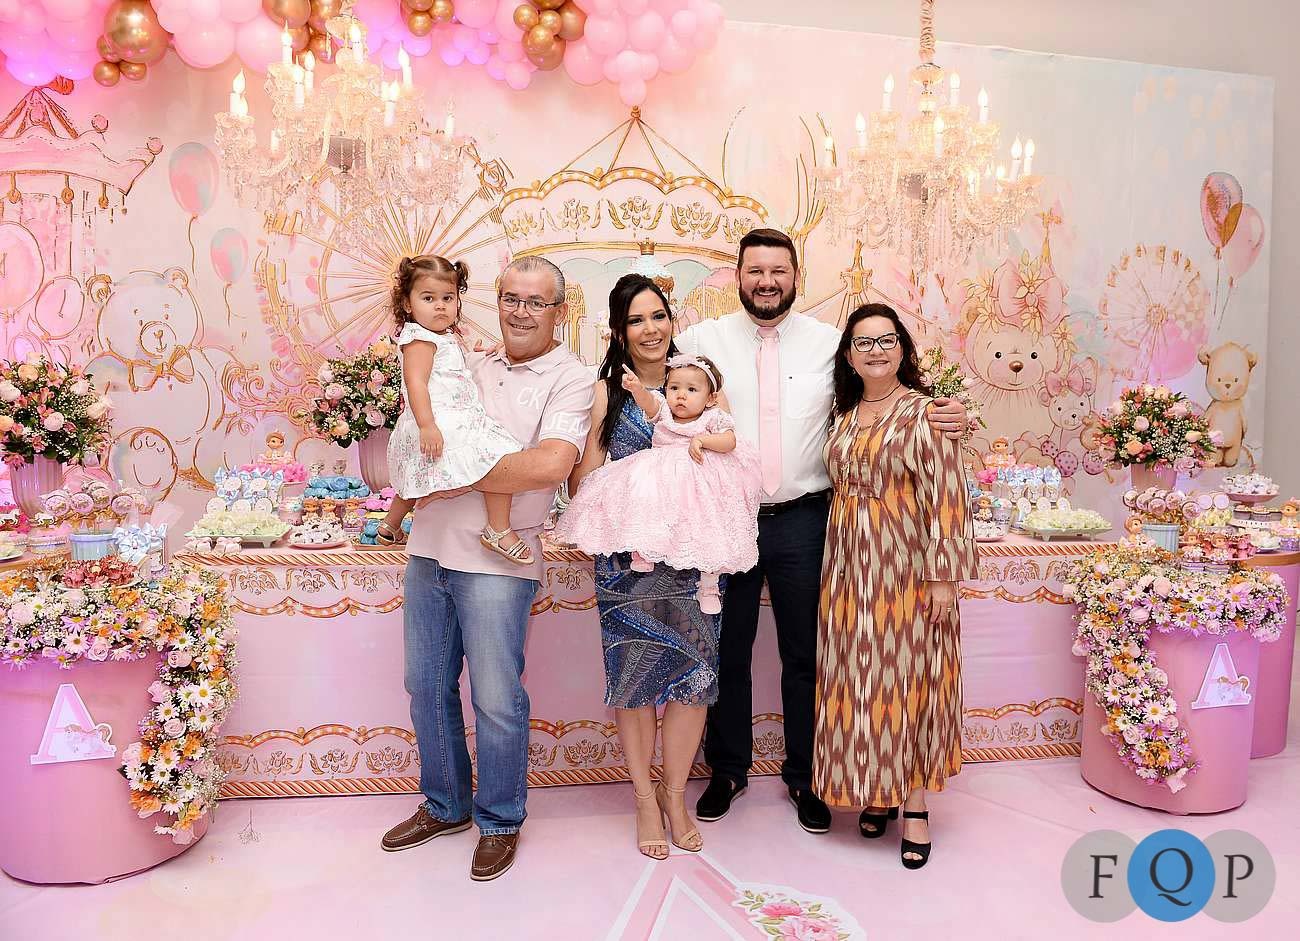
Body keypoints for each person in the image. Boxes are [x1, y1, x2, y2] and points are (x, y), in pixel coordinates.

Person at [674, 228, 968, 833]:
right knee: (726, 647)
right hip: (727, 516)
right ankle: (727, 770)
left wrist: (948, 412)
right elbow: (668, 401)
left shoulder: (833, 345)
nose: (767, 282)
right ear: (738, 275)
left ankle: (806, 775)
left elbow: (883, 399)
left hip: (807, 520)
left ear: (796, 276)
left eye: (778, 271)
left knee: (809, 652)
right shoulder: (701, 340)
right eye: (755, 271)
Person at [380, 256, 594, 882]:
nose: (520, 312)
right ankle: (444, 805)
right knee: (425, 686)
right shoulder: (464, 356)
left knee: (497, 698)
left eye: (536, 302)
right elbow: (419, 425)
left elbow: (550, 465)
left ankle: (499, 820)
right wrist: (423, 480)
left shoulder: (572, 377)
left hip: (500, 558)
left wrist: (447, 475)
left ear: (560, 311)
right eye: (510, 299)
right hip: (429, 547)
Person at [565, 274, 726, 860]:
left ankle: (676, 796)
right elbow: (584, 476)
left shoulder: (702, 384)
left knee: (693, 680)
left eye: (658, 315)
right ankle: (643, 799)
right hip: (627, 562)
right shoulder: (607, 392)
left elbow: (730, 460)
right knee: (633, 682)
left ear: (672, 320)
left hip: (693, 558)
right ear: (619, 331)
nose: (650, 329)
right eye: (636, 320)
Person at [815, 303, 978, 869]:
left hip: (904, 569)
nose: (876, 351)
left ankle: (914, 806)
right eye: (863, 342)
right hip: (846, 572)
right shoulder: (844, 414)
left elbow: (948, 497)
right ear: (849, 356)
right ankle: (877, 791)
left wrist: (942, 577)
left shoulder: (927, 414)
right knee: (862, 681)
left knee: (908, 681)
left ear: (903, 348)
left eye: (886, 340)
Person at [556, 353, 761, 615]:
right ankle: (644, 550)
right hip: (662, 472)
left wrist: (702, 441)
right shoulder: (664, 410)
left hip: (698, 480)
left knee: (710, 530)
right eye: (674, 388)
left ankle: (708, 585)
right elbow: (649, 402)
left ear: (710, 398)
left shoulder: (713, 417)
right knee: (644, 497)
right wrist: (637, 389)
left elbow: (729, 442)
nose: (681, 396)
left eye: (691, 390)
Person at [378, 255, 529, 566]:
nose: (440, 306)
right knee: (499, 455)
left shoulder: (441, 338)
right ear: (407, 304)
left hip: (445, 417)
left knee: (417, 477)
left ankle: (390, 525)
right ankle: (499, 528)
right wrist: (427, 425)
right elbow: (416, 383)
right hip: (440, 420)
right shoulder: (420, 340)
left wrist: (478, 355)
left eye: (448, 298)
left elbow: (449, 372)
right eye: (428, 298)